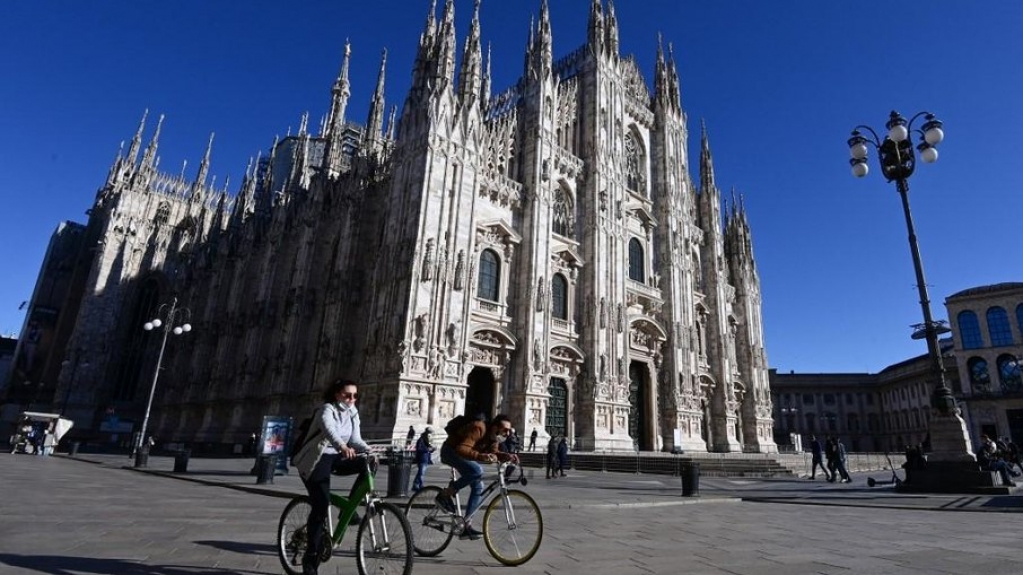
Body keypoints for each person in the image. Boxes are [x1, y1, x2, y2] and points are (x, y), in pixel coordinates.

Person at [292, 379, 372, 575]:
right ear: (337, 395)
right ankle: (310, 560)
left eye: (355, 396)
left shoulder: (353, 412)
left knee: (367, 464)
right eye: (347, 395)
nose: (352, 399)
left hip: (337, 457)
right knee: (320, 506)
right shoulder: (326, 410)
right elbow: (329, 430)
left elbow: (355, 439)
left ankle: (349, 509)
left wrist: (370, 450)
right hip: (316, 459)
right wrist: (342, 447)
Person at [435, 414, 518, 540]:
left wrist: (507, 456)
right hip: (450, 451)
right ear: (495, 427)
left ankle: (466, 526)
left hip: (463, 455)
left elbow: (494, 453)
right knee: (477, 470)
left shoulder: (494, 438)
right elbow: (461, 449)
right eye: (505, 430)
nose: (508, 433)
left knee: (479, 485)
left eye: (509, 430)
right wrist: (481, 457)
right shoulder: (478, 428)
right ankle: (445, 494)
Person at [412, 427, 435, 493]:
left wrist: (432, 449)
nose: (430, 435)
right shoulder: (421, 440)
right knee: (421, 473)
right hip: (421, 459)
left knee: (420, 473)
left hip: (426, 459)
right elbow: (419, 449)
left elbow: (429, 449)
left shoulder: (427, 440)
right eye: (430, 433)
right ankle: (421, 486)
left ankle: (415, 485)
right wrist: (428, 450)